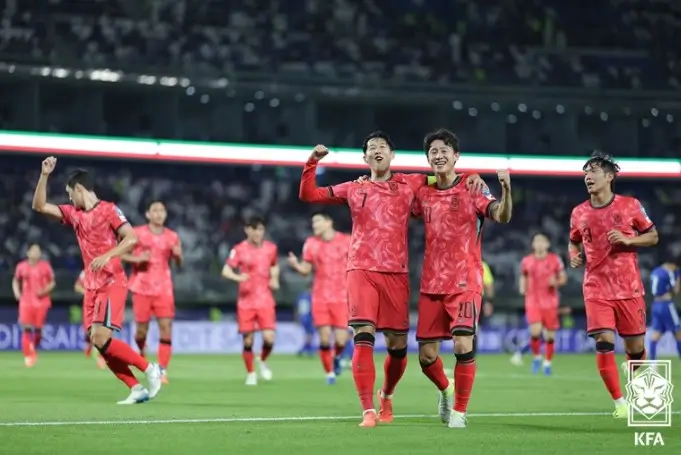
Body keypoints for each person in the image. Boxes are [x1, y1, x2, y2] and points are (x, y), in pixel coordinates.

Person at [299, 132, 486, 427]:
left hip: (396, 273)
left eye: (382, 146)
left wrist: (473, 174)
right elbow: (310, 195)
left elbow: (447, 177)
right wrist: (312, 162)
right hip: (360, 269)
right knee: (363, 336)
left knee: (398, 349)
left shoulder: (411, 183)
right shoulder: (354, 188)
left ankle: (386, 395)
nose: (377, 150)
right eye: (371, 147)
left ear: (392, 154)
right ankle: (367, 411)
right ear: (365, 158)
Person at [31, 157, 162, 404]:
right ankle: (135, 388)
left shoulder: (109, 210)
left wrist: (108, 255)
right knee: (99, 343)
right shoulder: (74, 214)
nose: (70, 199)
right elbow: (39, 206)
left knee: (101, 338)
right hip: (91, 286)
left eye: (70, 194)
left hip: (111, 282)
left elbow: (131, 238)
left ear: (79, 188)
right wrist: (44, 175)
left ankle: (149, 368)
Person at [412, 129, 512, 428]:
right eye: (433, 151)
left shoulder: (473, 187)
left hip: (465, 280)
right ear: (427, 158)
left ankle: (459, 412)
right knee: (426, 357)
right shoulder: (423, 191)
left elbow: (501, 215)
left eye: (444, 150)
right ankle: (446, 389)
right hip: (431, 282)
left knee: (462, 344)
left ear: (456, 156)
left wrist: (506, 190)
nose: (438, 155)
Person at [568, 151, 658, 418]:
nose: (588, 176)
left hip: (629, 287)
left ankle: (633, 370)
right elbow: (573, 240)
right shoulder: (579, 212)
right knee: (604, 340)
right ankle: (620, 403)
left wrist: (630, 240)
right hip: (595, 287)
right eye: (586, 172)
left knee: (635, 349)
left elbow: (653, 236)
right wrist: (574, 255)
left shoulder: (630, 205)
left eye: (593, 171)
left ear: (609, 177)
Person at [123, 200, 182, 384]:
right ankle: (141, 351)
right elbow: (120, 253)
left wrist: (178, 256)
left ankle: (162, 370)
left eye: (162, 210)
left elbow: (179, 263)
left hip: (164, 288)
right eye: (155, 210)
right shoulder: (137, 233)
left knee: (166, 328)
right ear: (148, 214)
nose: (159, 214)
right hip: (141, 287)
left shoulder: (172, 236)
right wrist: (137, 259)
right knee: (141, 332)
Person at [288, 212, 351, 384]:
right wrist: (296, 265)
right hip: (320, 297)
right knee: (324, 337)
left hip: (342, 297)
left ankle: (336, 357)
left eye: (318, 221)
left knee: (341, 340)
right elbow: (306, 271)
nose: (314, 225)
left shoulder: (346, 241)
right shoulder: (311, 243)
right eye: (313, 222)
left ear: (329, 222)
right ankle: (329, 373)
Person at [221, 216, 280, 386]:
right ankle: (251, 373)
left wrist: (274, 279)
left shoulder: (271, 249)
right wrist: (238, 277)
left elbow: (274, 265)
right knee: (248, 340)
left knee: (269, 338)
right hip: (246, 301)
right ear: (247, 230)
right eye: (254, 229)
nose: (257, 233)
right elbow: (226, 271)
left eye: (260, 229)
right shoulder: (239, 249)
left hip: (265, 299)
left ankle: (262, 359)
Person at [514, 233, 567, 375]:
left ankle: (547, 363)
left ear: (547, 244)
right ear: (533, 245)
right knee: (535, 331)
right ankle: (537, 357)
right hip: (533, 301)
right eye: (536, 242)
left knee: (550, 336)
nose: (539, 244)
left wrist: (556, 282)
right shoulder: (527, 261)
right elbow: (523, 275)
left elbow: (563, 278)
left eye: (542, 242)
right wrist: (522, 287)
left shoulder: (555, 260)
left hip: (550, 302)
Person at [12, 244, 55, 367]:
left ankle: (33, 348)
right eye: (33, 250)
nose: (36, 253)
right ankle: (28, 355)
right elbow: (15, 280)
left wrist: (44, 291)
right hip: (26, 302)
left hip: (41, 302)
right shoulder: (21, 266)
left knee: (38, 331)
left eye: (38, 251)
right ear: (28, 253)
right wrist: (17, 292)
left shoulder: (45, 266)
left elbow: (52, 282)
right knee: (26, 328)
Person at [648, 258, 681, 361]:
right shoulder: (669, 272)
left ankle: (653, 364)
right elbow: (676, 290)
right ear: (673, 265)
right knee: (678, 333)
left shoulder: (655, 272)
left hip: (655, 304)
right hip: (666, 304)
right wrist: (678, 278)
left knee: (655, 335)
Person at [75, 270, 106, 369]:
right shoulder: (85, 272)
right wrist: (87, 292)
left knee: (103, 330)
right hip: (89, 305)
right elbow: (77, 286)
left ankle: (101, 356)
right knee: (89, 330)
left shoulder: (106, 271)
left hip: (102, 303)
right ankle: (88, 345)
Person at [295, 285, 315, 357]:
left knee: (308, 333)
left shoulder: (301, 296)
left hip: (303, 317)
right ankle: (307, 348)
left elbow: (297, 308)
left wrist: (297, 318)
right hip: (309, 317)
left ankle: (305, 348)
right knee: (309, 334)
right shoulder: (310, 296)